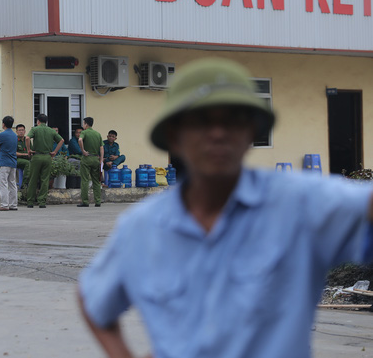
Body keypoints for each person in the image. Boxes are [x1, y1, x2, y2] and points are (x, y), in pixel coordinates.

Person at [78, 58, 373, 358]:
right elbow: (92, 298)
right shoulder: (143, 228)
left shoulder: (299, 204)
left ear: (251, 133)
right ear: (174, 138)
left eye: (232, 120)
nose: (217, 133)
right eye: (201, 121)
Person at [25, 114, 63, 208]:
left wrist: (29, 149)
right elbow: (61, 140)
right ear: (46, 122)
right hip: (47, 157)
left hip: (37, 156)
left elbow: (27, 138)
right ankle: (42, 202)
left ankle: (30, 201)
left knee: (33, 179)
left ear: (38, 121)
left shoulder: (35, 129)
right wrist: (54, 152)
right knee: (45, 179)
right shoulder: (51, 130)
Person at [77, 117, 103, 207]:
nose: (83, 125)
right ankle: (98, 201)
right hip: (96, 158)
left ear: (86, 124)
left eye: (83, 123)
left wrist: (83, 150)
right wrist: (101, 159)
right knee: (96, 181)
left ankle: (85, 201)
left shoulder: (84, 132)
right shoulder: (97, 134)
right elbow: (101, 148)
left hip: (87, 158)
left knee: (85, 180)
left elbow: (80, 140)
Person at [0, 116, 18, 211]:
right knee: (12, 183)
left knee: (3, 183)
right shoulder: (14, 135)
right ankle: (13, 204)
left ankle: (4, 204)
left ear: (3, 124)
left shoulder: (2, 135)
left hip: (4, 161)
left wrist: (1, 150)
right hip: (13, 161)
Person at [16, 124, 31, 188]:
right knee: (27, 163)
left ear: (25, 131)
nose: (21, 132)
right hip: (17, 159)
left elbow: (31, 150)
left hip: (27, 158)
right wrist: (24, 154)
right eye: (19, 130)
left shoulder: (27, 139)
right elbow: (13, 153)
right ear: (16, 131)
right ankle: (24, 184)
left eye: (22, 130)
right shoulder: (14, 140)